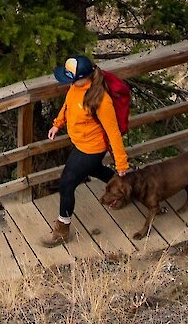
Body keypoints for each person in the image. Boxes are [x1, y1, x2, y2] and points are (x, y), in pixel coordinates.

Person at [39, 54, 129, 246]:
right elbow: (68, 105)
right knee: (97, 171)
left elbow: (113, 133)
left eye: (71, 79)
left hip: (91, 148)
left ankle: (62, 229)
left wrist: (121, 162)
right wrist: (58, 124)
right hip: (80, 143)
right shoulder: (75, 87)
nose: (68, 83)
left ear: (85, 77)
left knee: (67, 183)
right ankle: (129, 189)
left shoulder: (101, 100)